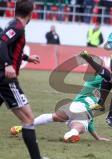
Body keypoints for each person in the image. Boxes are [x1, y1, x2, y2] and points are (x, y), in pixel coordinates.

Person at [0, 0, 43, 159]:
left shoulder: (13, 24)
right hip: (6, 80)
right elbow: (2, 44)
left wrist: (27, 57)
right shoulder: (17, 27)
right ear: (31, 13)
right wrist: (8, 65)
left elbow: (9, 47)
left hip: (3, 78)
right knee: (29, 119)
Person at [10, 75, 110, 143]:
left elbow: (91, 119)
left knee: (53, 116)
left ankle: (21, 127)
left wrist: (98, 138)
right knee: (81, 128)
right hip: (81, 110)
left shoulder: (95, 93)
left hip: (74, 107)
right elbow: (104, 77)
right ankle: (69, 135)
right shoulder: (94, 85)